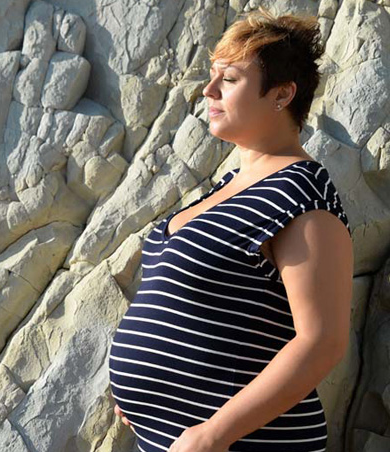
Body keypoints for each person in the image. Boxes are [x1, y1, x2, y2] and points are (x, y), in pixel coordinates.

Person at [107, 10, 352, 452]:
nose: (209, 90)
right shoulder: (228, 186)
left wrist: (214, 434)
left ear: (282, 94)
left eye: (231, 78)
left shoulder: (302, 195)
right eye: (212, 75)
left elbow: (322, 341)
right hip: (170, 434)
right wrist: (148, 395)